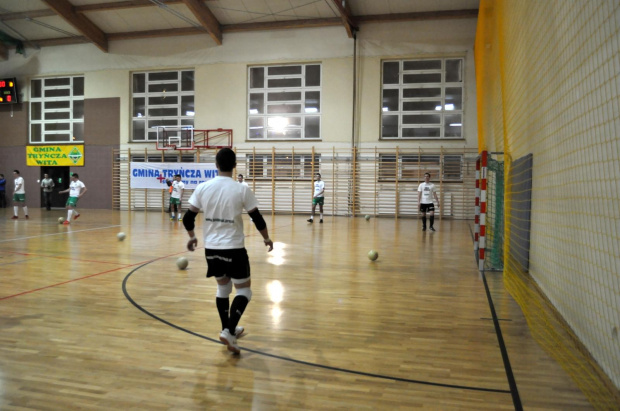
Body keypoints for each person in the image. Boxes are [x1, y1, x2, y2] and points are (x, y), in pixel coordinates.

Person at [183, 148, 273, 355]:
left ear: (216, 165)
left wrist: (192, 238)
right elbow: (257, 218)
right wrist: (267, 238)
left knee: (223, 288)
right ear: (234, 166)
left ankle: (227, 329)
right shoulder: (241, 189)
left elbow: (188, 218)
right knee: (244, 291)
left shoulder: (203, 187)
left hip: (212, 249)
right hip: (234, 249)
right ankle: (230, 330)